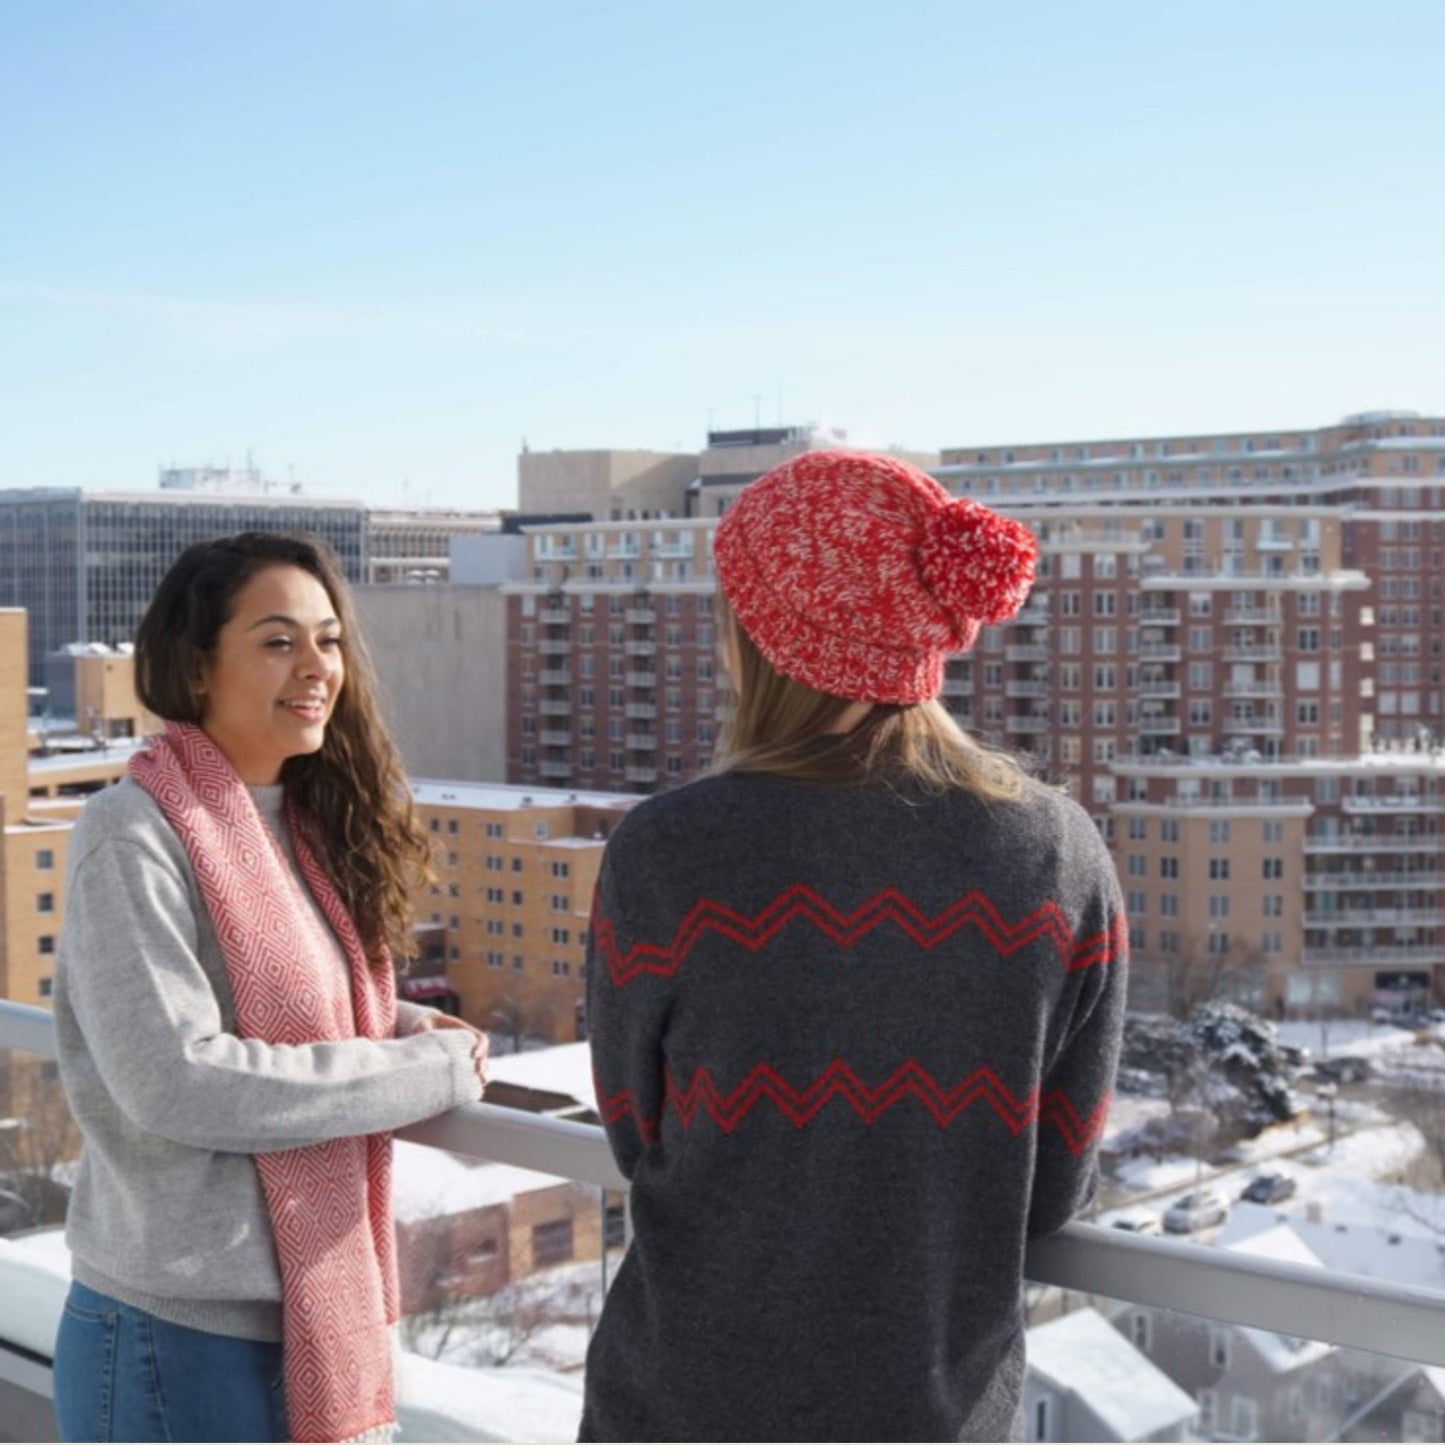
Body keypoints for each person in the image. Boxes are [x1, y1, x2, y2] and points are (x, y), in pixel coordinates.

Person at [581, 451, 1128, 1441]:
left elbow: (635, 1132)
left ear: (760, 633)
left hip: (682, 1399)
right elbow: (1053, 1187)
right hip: (934, 1413)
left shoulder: (668, 849)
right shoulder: (1057, 853)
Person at [52, 532, 489, 1444]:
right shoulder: (130, 833)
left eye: (328, 640)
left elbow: (293, 1007)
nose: (317, 667)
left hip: (298, 1317)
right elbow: (180, 1079)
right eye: (278, 640)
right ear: (197, 664)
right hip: (174, 1336)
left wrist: (405, 1024)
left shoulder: (305, 822)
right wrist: (426, 1073)